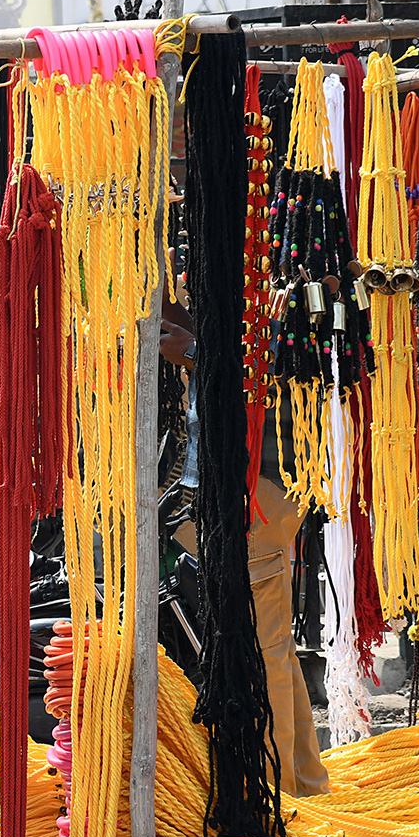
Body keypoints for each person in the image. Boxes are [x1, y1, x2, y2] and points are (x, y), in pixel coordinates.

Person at [160, 302, 331, 798]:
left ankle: (275, 796)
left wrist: (194, 352)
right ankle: (303, 783)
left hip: (258, 493)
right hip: (256, 492)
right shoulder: (244, 288)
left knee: (261, 651)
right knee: (273, 648)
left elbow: (261, 380)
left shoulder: (268, 290)